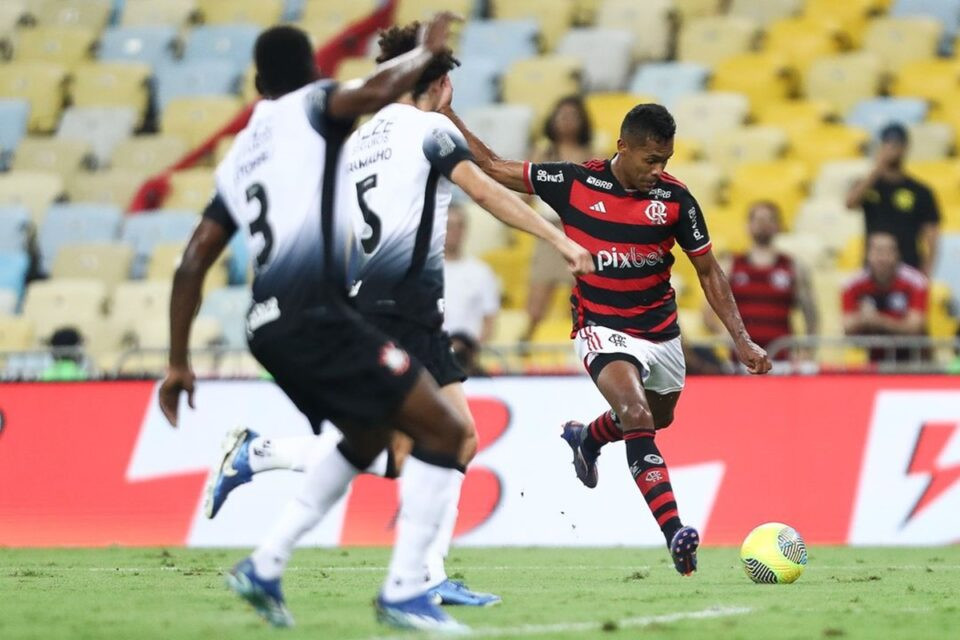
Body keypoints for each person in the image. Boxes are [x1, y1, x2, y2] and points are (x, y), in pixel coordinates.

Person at [192, 19, 593, 616]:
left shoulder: (356, 140)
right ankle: (265, 460)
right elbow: (486, 191)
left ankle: (426, 573)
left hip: (374, 300)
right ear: (441, 85)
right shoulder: (430, 128)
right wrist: (560, 240)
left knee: (452, 437)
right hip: (404, 305)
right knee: (413, 448)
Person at [157, 17, 481, 633]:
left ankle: (266, 565)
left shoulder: (239, 156)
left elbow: (192, 261)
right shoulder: (314, 106)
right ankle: (406, 591)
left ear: (258, 84)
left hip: (265, 327)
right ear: (312, 70)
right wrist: (426, 53)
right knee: (446, 430)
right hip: (319, 315)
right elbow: (376, 91)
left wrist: (177, 362)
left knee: (366, 440)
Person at [440, 97, 771, 576]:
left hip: (660, 331)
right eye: (651, 160)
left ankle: (587, 438)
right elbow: (492, 167)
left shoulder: (676, 201)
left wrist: (741, 339)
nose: (658, 171)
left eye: (666, 161)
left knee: (659, 416)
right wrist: (448, 114)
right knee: (636, 413)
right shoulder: (574, 182)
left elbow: (709, 271)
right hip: (601, 326)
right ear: (623, 147)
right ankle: (675, 533)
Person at [522, 96, 594, 342]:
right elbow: (524, 196)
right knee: (537, 303)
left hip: (580, 232)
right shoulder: (541, 154)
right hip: (548, 231)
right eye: (561, 115)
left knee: (581, 300)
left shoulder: (592, 156)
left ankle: (580, 346)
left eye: (572, 115)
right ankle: (525, 346)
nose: (565, 120)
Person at [705, 201, 818, 359]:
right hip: (742, 360)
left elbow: (811, 314)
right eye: (758, 219)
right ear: (748, 226)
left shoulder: (793, 267)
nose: (763, 224)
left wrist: (807, 352)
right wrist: (727, 335)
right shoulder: (730, 266)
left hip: (782, 357)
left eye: (769, 219)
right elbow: (708, 312)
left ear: (779, 226)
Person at [846, 123, 941, 275]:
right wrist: (878, 168)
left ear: (905, 148)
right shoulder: (868, 185)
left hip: (908, 267)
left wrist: (927, 271)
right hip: (874, 269)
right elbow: (850, 203)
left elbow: (931, 236)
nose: (892, 149)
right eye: (887, 144)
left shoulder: (921, 191)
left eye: (897, 145)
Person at [842, 231, 929, 363]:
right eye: (877, 251)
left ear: (897, 254)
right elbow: (847, 326)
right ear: (867, 254)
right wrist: (864, 319)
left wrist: (876, 320)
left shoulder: (916, 281)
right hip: (873, 359)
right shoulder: (852, 284)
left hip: (913, 359)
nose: (882, 258)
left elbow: (914, 326)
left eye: (888, 252)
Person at [443, 204, 501, 343]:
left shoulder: (482, 272)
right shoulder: (423, 271)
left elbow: (490, 321)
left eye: (460, 226)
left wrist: (471, 349)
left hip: (468, 351)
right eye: (449, 226)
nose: (455, 231)